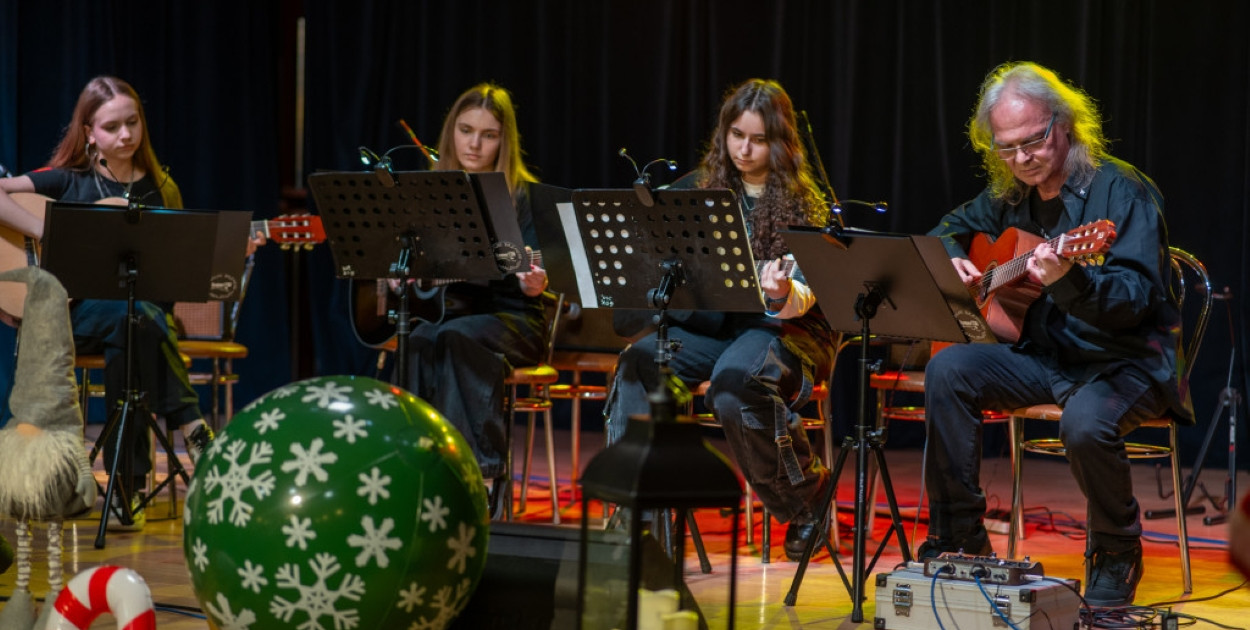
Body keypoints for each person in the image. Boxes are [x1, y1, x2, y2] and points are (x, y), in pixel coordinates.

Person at [920, 62, 1190, 607]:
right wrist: (955, 260)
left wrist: (1070, 281)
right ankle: (961, 536)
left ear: (1064, 123)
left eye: (1034, 140)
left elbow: (1136, 302)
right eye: (1006, 148)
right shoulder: (1010, 193)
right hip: (1047, 358)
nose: (1022, 159)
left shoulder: (1123, 192)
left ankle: (1115, 550)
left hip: (1124, 360)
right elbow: (947, 228)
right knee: (948, 370)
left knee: (1085, 425)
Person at [0, 76, 259, 531]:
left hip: (137, 318)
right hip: (71, 317)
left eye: (133, 122)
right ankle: (190, 429)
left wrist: (221, 253)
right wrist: (47, 231)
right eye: (112, 126)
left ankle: (127, 492)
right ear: (89, 133)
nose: (125, 135)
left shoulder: (163, 190)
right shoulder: (67, 181)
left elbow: (174, 277)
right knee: (136, 322)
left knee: (134, 323)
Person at [603, 78, 836, 561]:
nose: (744, 150)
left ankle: (806, 499)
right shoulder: (696, 190)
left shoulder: (804, 201)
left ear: (780, 142)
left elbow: (810, 296)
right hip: (714, 330)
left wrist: (780, 293)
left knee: (735, 385)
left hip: (783, 330)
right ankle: (636, 516)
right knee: (638, 363)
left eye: (757, 139)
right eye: (736, 135)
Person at [400, 83, 549, 485]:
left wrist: (534, 282)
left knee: (455, 338)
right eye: (466, 130)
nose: (474, 144)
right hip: (452, 316)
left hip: (514, 318)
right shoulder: (431, 190)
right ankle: (412, 465)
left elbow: (537, 275)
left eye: (488, 135)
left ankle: (472, 473)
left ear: (504, 141)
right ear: (452, 131)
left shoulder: (524, 195)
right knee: (417, 340)